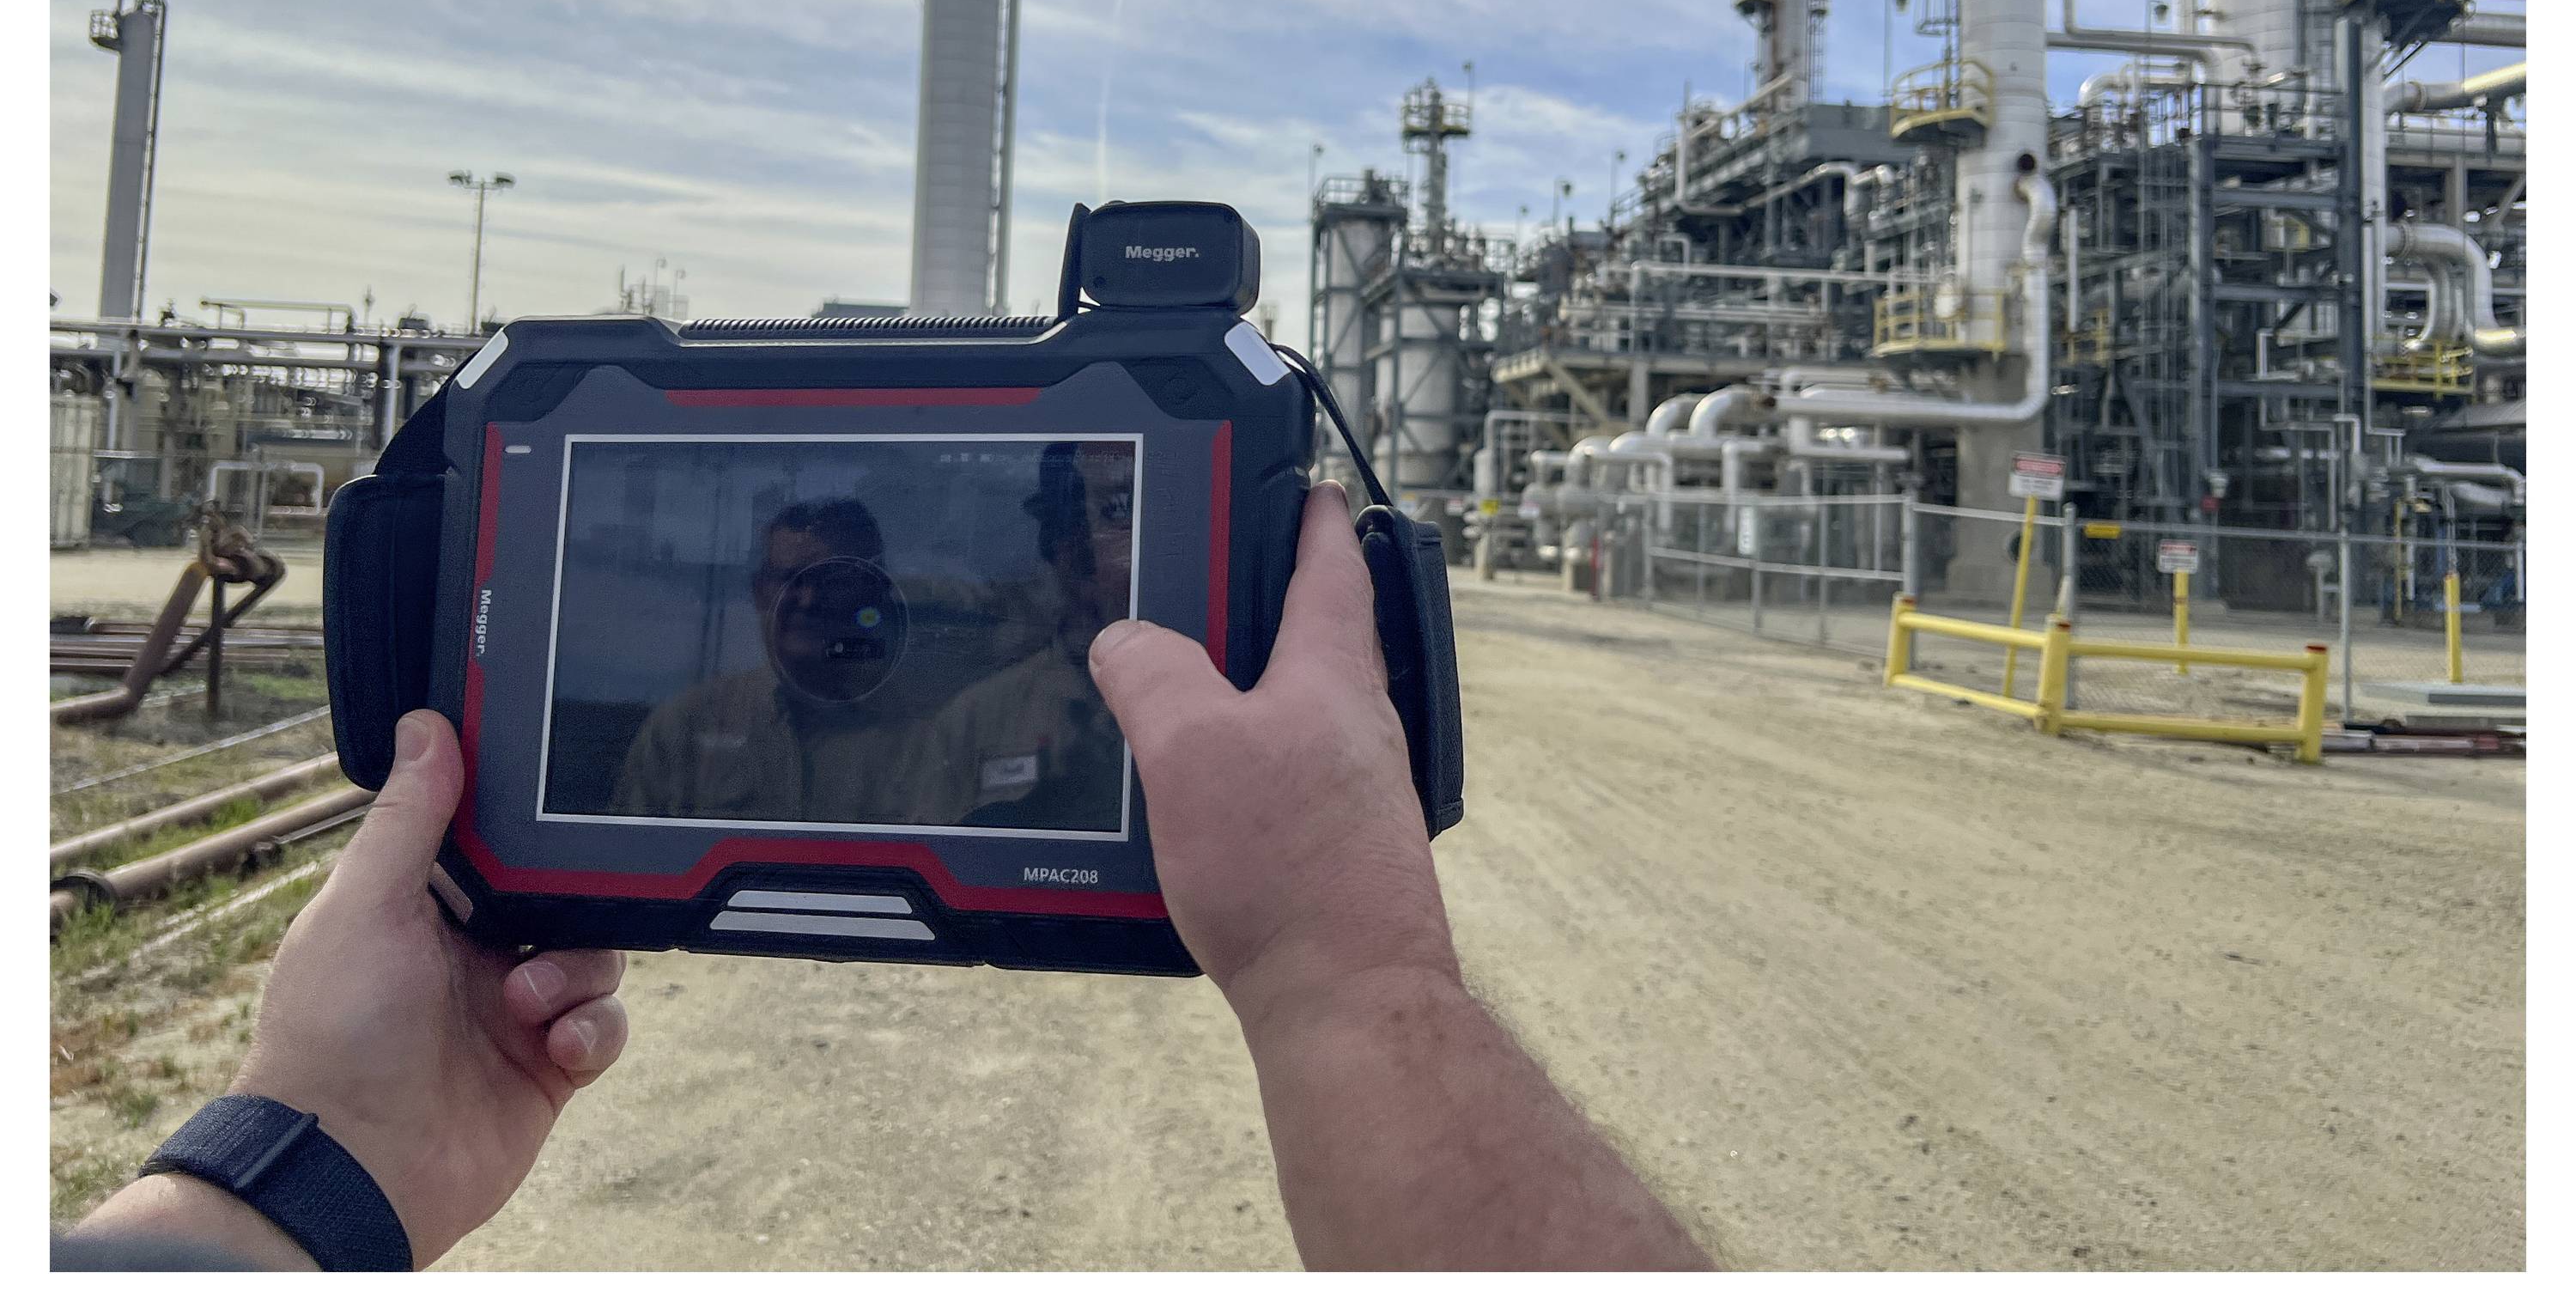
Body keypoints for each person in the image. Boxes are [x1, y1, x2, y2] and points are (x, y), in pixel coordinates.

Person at [63, 483, 1710, 1272]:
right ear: (757, 596)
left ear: (889, 593)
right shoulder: (692, 733)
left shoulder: (996, 722)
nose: (819, 612)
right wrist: (1357, 979)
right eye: (788, 583)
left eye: (849, 583)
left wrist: (307, 1156)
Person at [606, 469, 1126, 830]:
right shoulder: (682, 730)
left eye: (830, 580)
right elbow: (623, 872)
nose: (805, 600)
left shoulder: (946, 731)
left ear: (872, 592)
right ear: (759, 591)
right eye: (787, 579)